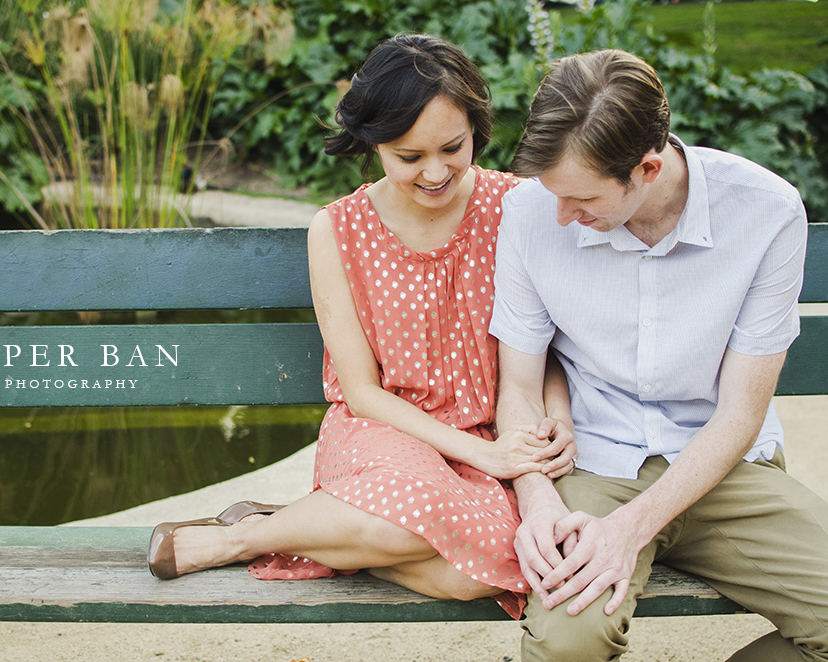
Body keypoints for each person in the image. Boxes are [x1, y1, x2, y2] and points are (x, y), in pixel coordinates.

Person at [148, 33, 577, 618]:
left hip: (491, 430)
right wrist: (493, 460)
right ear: (372, 143)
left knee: (493, 563)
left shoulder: (518, 206)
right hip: (382, 432)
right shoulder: (338, 230)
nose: (435, 172)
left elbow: (549, 342)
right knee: (438, 523)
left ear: (477, 126)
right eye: (409, 156)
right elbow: (363, 392)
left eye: (453, 147)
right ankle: (241, 538)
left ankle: (305, 528)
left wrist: (552, 422)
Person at [489, 48, 828, 660]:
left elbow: (740, 414)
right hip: (590, 466)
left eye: (584, 200)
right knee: (568, 644)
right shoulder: (528, 212)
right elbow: (517, 385)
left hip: (725, 467)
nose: (561, 216)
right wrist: (535, 496)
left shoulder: (767, 213)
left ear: (647, 168)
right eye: (553, 193)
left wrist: (630, 530)